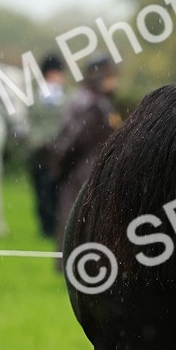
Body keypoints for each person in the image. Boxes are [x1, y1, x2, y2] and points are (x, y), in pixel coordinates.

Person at [48, 56, 121, 257]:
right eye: (110, 75)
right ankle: (79, 262)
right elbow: (72, 140)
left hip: (86, 170)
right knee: (79, 220)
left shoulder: (93, 99)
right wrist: (60, 166)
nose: (114, 80)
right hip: (84, 172)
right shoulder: (92, 104)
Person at [27, 53, 66, 237]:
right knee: (41, 192)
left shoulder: (69, 97)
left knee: (58, 192)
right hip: (40, 152)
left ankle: (57, 225)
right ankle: (45, 227)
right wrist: (39, 142)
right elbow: (30, 123)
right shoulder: (34, 99)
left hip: (60, 153)